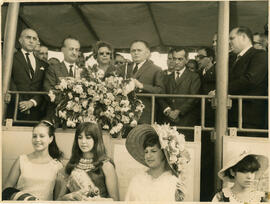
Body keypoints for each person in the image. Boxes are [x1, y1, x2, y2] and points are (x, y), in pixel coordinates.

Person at [54, 122, 119, 201]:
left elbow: (115, 200)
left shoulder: (106, 165)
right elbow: (58, 200)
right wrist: (70, 196)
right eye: (80, 137)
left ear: (96, 140)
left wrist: (97, 201)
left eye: (88, 138)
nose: (83, 142)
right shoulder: (71, 165)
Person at [125, 124, 190, 201]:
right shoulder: (137, 180)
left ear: (164, 153)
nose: (148, 156)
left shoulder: (173, 183)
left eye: (153, 151)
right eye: (146, 152)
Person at [2, 120, 63, 200]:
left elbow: (58, 199)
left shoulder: (57, 166)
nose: (37, 139)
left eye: (41, 136)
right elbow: (6, 190)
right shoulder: (21, 160)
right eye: (34, 136)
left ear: (50, 139)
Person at [228, 26, 268, 133]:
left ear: (244, 37)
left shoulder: (260, 55)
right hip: (235, 116)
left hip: (250, 118)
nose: (229, 42)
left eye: (232, 38)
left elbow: (250, 80)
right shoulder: (233, 58)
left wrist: (222, 91)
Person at [159, 48, 201, 140]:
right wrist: (168, 111)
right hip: (168, 121)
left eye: (180, 59)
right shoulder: (166, 78)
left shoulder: (194, 77)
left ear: (186, 60)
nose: (176, 62)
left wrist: (178, 111)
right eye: (174, 59)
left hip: (186, 121)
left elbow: (194, 98)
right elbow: (161, 96)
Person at [7, 28, 48, 122]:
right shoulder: (10, 59)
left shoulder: (43, 64)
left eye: (34, 39)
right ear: (20, 40)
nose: (31, 41)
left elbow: (44, 86)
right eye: (28, 37)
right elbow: (8, 81)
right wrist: (20, 102)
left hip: (36, 113)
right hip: (14, 111)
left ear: (37, 42)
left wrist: (32, 102)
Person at [119, 40, 164, 124]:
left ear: (147, 53)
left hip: (144, 113)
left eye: (139, 50)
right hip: (124, 112)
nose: (136, 53)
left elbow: (160, 90)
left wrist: (142, 86)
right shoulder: (124, 68)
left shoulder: (156, 69)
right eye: (133, 50)